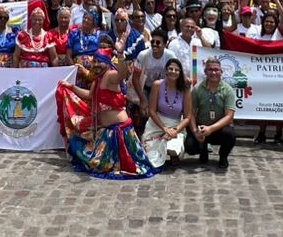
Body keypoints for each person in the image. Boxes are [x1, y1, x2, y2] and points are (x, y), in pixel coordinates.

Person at [60, 49, 154, 179]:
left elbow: (122, 74)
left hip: (120, 131)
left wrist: (120, 54)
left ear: (107, 63)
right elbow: (89, 95)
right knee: (91, 160)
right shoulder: (97, 79)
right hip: (107, 131)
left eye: (100, 62)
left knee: (114, 166)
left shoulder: (110, 75)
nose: (97, 64)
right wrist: (71, 87)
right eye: (95, 61)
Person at [186, 57, 236, 170]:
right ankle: (202, 148)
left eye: (216, 70)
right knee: (189, 146)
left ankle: (223, 157)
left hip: (218, 128)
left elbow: (229, 116)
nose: (213, 72)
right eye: (210, 70)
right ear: (205, 72)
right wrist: (195, 132)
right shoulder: (197, 89)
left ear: (221, 71)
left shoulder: (228, 90)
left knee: (230, 135)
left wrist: (211, 129)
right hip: (201, 127)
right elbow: (191, 114)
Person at [142, 57, 192, 167]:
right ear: (166, 70)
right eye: (170, 69)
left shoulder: (185, 90)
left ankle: (173, 154)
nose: (173, 72)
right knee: (149, 158)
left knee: (172, 148)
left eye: (176, 70)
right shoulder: (157, 85)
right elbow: (152, 110)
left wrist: (175, 130)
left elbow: (188, 116)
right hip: (157, 124)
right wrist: (164, 128)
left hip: (175, 125)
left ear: (180, 72)